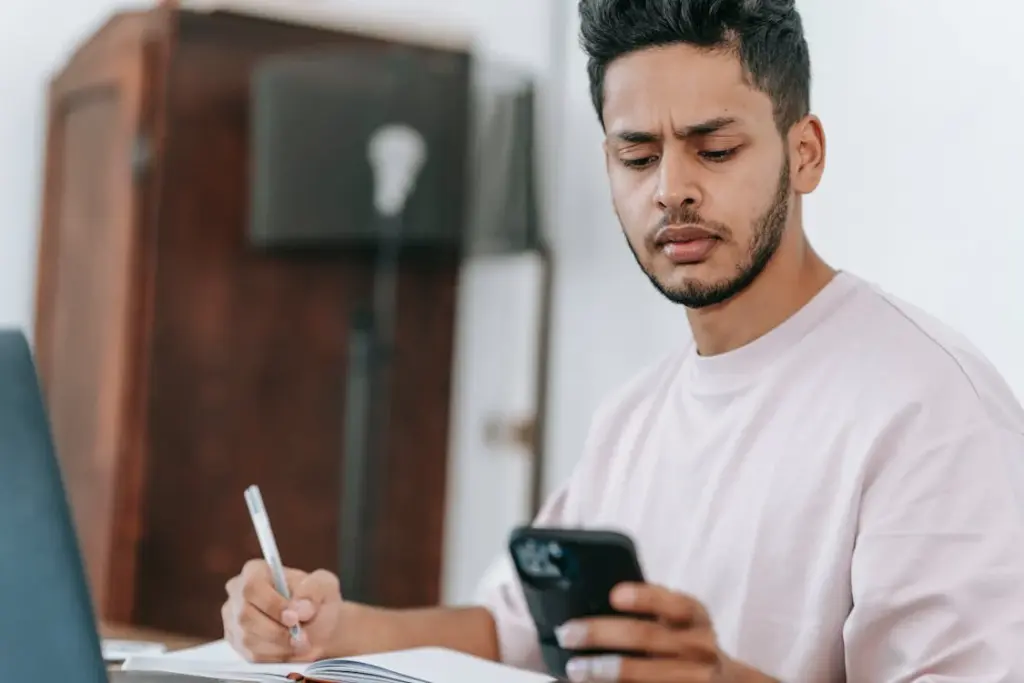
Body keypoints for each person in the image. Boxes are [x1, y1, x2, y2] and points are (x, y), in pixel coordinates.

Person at [221, 0, 1024, 681]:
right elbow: (514, 632)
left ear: (804, 153)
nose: (671, 189)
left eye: (715, 149)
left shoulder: (931, 408)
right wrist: (334, 628)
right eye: (636, 155)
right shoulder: (633, 417)